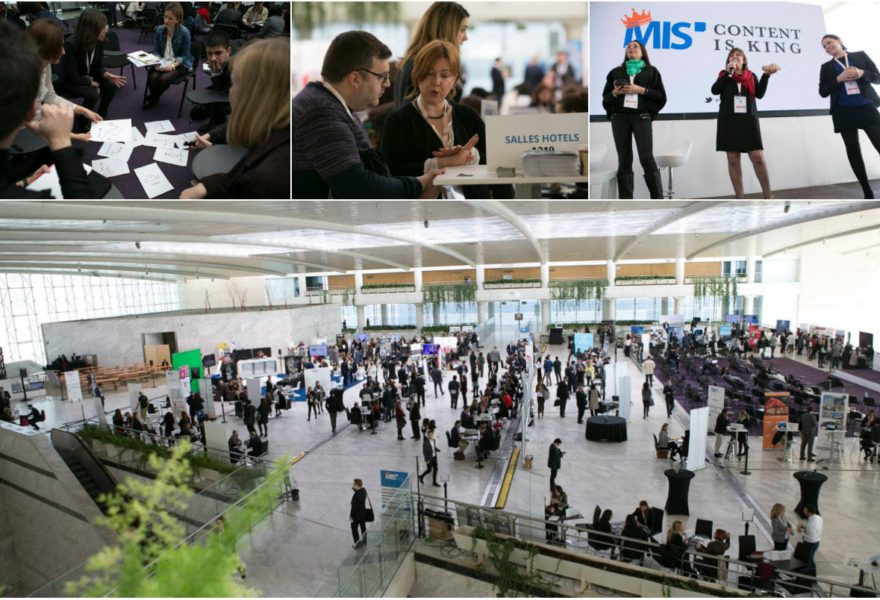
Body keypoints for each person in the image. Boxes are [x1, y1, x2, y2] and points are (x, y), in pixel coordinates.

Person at [292, 31, 443, 199]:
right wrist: (419, 185)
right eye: (382, 77)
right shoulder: (321, 113)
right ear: (355, 79)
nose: (387, 84)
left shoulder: (331, 105)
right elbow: (358, 187)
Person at [382, 40, 502, 199]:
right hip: (423, 209)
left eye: (444, 75)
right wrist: (442, 163)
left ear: (454, 79)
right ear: (417, 74)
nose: (436, 82)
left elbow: (497, 162)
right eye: (429, 73)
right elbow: (392, 172)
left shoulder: (468, 116)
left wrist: (471, 155)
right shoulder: (398, 121)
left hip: (476, 208)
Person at [182, 38, 290, 199]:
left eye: (234, 83)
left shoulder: (266, 180)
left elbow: (241, 184)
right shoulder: (276, 129)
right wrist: (205, 186)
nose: (230, 92)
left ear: (257, 93)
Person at [601, 40, 666, 198]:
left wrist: (641, 90)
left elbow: (660, 96)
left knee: (646, 157)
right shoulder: (616, 72)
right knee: (624, 159)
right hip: (619, 118)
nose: (631, 48)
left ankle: (658, 198)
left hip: (641, 117)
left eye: (635, 46)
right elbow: (606, 98)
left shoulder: (651, 71)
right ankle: (626, 199)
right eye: (628, 47)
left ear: (642, 52)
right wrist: (615, 93)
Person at [711, 47, 779, 199]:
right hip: (729, 121)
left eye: (738, 55)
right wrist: (728, 73)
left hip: (749, 120)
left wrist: (766, 75)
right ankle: (740, 199)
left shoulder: (751, 75)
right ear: (728, 60)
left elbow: (759, 94)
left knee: (758, 157)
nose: (735, 57)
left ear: (744, 60)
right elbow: (715, 90)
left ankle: (768, 195)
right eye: (732, 55)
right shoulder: (724, 75)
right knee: (733, 159)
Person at [818, 34, 880, 198]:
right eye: (824, 46)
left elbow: (877, 77)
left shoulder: (860, 56)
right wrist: (838, 79)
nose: (827, 47)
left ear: (839, 41)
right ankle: (867, 191)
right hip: (843, 111)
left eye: (829, 42)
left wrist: (862, 73)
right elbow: (823, 92)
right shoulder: (826, 67)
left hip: (866, 106)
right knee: (853, 150)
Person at [26, 19, 102, 145]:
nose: (63, 51)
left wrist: (83, 110)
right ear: (45, 49)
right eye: (59, 47)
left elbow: (50, 97)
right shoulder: (26, 77)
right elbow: (35, 122)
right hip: (20, 131)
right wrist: (73, 136)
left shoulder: (44, 63)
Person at [393, 1, 469, 108]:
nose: (466, 38)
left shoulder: (411, 62)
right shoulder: (422, 65)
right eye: (462, 30)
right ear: (445, 30)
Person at [56, 9, 126, 122]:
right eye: (103, 27)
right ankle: (83, 120)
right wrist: (93, 83)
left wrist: (105, 73)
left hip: (87, 75)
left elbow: (98, 64)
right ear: (91, 30)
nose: (106, 29)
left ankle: (102, 112)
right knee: (92, 94)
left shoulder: (99, 41)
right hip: (70, 80)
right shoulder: (71, 44)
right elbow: (73, 77)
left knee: (111, 85)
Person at [143, 3, 192, 109]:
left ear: (178, 20)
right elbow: (156, 51)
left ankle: (154, 97)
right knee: (152, 77)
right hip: (163, 60)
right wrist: (156, 61)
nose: (166, 21)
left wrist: (172, 66)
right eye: (165, 17)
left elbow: (185, 55)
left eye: (170, 18)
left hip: (180, 63)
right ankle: (155, 97)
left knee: (163, 79)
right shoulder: (160, 30)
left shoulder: (185, 33)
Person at [797, 504, 822, 572]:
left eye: (805, 510)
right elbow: (815, 530)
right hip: (817, 542)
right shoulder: (818, 517)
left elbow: (810, 537)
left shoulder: (811, 524)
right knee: (810, 558)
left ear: (809, 512)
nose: (803, 511)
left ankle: (807, 574)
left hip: (809, 544)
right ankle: (813, 571)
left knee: (807, 560)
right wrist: (804, 527)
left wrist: (801, 532)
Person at [349, 478, 369, 548]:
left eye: (354, 484)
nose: (353, 485)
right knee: (363, 527)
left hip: (356, 515)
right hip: (363, 513)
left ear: (357, 485)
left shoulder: (356, 496)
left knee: (354, 528)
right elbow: (358, 492)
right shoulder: (363, 490)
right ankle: (365, 541)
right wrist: (354, 489)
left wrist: (351, 516)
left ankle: (357, 544)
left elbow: (353, 508)